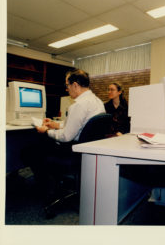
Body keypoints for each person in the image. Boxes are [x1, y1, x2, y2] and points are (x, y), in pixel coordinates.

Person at [22, 69, 105, 199]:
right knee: (41, 146)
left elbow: (66, 137)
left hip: (72, 151)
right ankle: (55, 183)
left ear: (75, 85)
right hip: (86, 151)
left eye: (67, 85)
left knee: (30, 152)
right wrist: (56, 125)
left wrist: (47, 131)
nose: (67, 89)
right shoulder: (97, 102)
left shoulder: (79, 105)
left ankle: (47, 190)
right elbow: (80, 126)